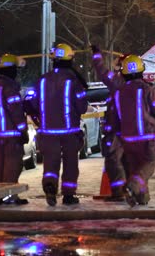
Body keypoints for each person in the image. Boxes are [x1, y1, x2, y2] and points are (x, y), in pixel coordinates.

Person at [114, 54, 155, 207]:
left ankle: (140, 198)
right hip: (146, 137)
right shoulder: (148, 89)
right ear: (141, 70)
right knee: (149, 163)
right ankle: (133, 186)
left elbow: (116, 116)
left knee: (136, 168)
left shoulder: (119, 92)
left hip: (128, 139)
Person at [34, 43, 89, 206]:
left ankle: (50, 186)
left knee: (50, 163)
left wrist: (40, 120)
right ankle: (68, 195)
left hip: (47, 132)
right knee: (71, 164)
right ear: (70, 59)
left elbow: (31, 102)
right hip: (69, 132)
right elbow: (82, 106)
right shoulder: (74, 81)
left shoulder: (42, 80)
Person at [0, 53, 29, 205]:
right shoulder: (10, 87)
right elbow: (16, 113)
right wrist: (23, 131)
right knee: (13, 166)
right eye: (15, 70)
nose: (16, 73)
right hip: (12, 136)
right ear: (11, 70)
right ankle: (10, 196)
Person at [91, 45, 127, 201]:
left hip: (116, 130)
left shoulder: (118, 82)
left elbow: (102, 72)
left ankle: (119, 192)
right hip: (134, 132)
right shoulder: (142, 85)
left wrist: (97, 56)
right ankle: (135, 192)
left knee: (114, 162)